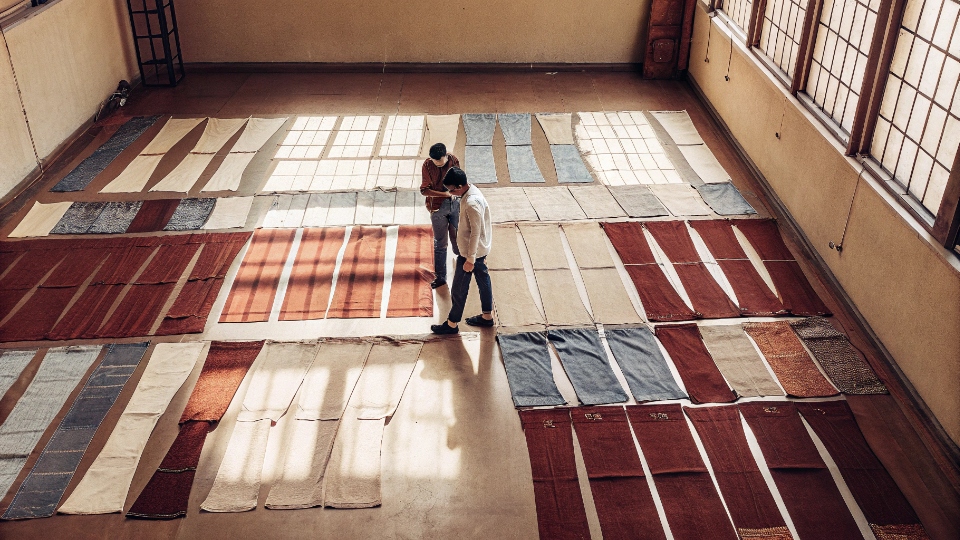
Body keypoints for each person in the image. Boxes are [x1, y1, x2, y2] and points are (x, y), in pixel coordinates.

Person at [431, 167, 494, 334]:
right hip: (480, 250)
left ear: (459, 186)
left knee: (459, 288)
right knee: (484, 281)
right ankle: (487, 316)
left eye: (451, 190)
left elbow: (476, 232)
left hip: (470, 253)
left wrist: (470, 259)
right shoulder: (472, 191)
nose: (450, 193)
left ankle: (452, 324)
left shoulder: (472, 204)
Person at [420, 142, 461, 289]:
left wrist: (456, 193)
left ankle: (462, 260)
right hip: (437, 208)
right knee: (440, 243)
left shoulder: (453, 160)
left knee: (458, 235)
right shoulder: (427, 165)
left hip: (455, 205)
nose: (437, 163)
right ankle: (440, 277)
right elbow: (424, 190)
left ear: (446, 155)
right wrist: (445, 194)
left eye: (440, 161)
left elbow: (460, 181)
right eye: (434, 161)